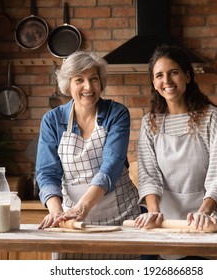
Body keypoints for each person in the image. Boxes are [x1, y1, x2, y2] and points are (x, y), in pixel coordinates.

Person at [35, 51, 141, 259]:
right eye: (79, 80)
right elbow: (47, 173)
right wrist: (56, 212)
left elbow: (112, 164)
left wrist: (83, 206)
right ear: (68, 84)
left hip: (120, 219)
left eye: (94, 78)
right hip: (72, 222)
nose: (88, 87)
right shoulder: (52, 120)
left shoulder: (116, 113)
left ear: (101, 82)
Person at [135, 45, 217, 259]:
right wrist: (153, 211)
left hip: (201, 222)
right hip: (162, 223)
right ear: (153, 83)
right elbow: (148, 175)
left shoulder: (211, 117)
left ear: (187, 76)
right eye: (159, 75)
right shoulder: (150, 122)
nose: (167, 81)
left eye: (174, 73)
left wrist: (203, 212)